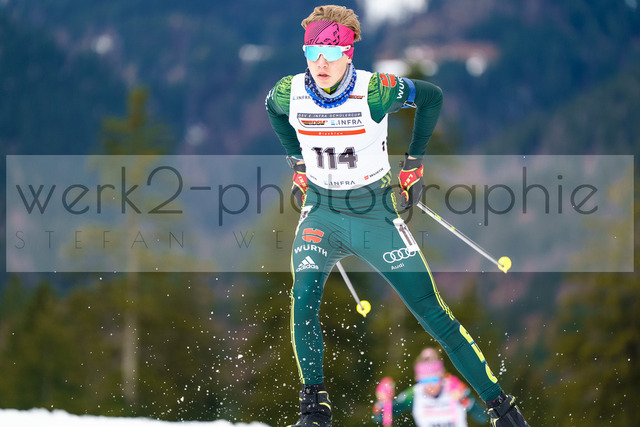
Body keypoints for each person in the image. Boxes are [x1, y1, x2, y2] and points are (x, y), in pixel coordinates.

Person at [265, 5, 529, 427]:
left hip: (374, 215)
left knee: (432, 313)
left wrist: (414, 161)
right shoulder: (290, 91)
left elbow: (431, 97)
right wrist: (297, 162)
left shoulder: (376, 90)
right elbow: (272, 109)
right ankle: (314, 410)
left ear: (348, 53)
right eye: (312, 52)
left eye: (330, 53)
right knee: (304, 297)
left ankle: (503, 411)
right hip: (321, 212)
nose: (320, 63)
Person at [373, 347, 489, 426]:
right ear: (418, 379)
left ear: (441, 377)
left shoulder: (454, 388)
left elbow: (483, 418)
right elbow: (380, 418)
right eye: (424, 381)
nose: (429, 386)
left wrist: (464, 400)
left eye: (433, 380)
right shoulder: (414, 394)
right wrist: (383, 401)